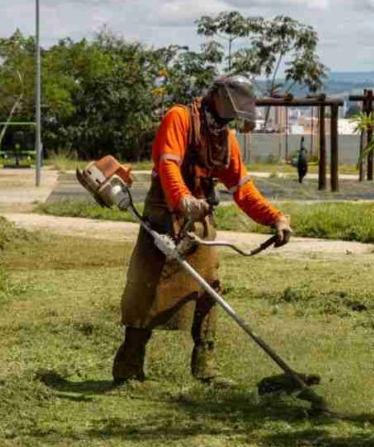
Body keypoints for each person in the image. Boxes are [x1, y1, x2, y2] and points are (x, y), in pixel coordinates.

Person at [113, 75, 293, 383]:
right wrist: (182, 199)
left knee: (209, 286)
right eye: (233, 108)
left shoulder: (224, 138)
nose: (235, 116)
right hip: (163, 213)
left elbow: (242, 188)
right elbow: (168, 165)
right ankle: (129, 366)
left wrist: (274, 217)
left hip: (199, 216)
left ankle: (206, 367)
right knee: (147, 287)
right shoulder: (179, 118)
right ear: (218, 96)